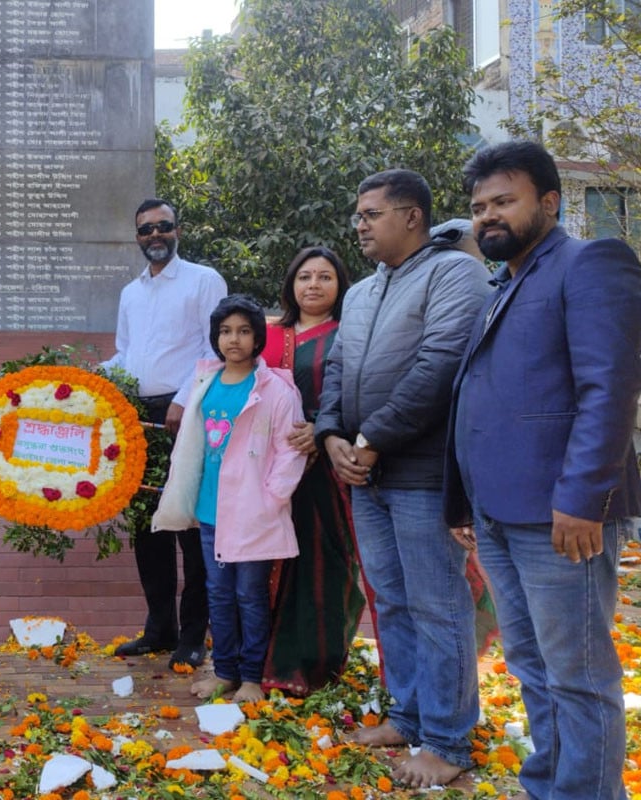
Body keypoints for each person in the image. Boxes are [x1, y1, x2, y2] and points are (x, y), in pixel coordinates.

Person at [445, 140, 641, 800]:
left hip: (564, 517)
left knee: (578, 673)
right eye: (479, 207)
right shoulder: (506, 283)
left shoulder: (591, 264)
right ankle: (549, 785)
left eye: (504, 201)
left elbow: (608, 388)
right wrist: (464, 502)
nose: (488, 217)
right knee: (532, 665)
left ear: (549, 203)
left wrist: (585, 498)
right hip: (501, 514)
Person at [314, 169, 491, 787]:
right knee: (390, 600)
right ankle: (409, 714)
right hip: (365, 474)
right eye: (358, 214)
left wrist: (371, 439)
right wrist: (331, 436)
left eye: (371, 214)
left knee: (438, 604)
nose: (358, 224)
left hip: (420, 470)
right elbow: (335, 370)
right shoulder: (362, 292)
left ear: (412, 216)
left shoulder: (455, 274)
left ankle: (447, 740)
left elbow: (440, 364)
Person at [152, 295, 306, 703]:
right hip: (210, 511)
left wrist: (272, 498)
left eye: (243, 331)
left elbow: (290, 450)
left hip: (254, 512)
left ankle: (252, 677)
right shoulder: (207, 381)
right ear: (215, 337)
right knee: (218, 593)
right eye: (224, 331)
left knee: (249, 595)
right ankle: (225, 671)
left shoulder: (275, 389)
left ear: (258, 337)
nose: (233, 339)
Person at [103, 198, 226, 669]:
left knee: (189, 528)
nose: (154, 235)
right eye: (145, 229)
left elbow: (218, 349)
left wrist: (183, 397)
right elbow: (125, 355)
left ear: (177, 230)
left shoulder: (203, 280)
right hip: (137, 418)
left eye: (163, 227)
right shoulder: (130, 292)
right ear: (136, 236)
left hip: (186, 415)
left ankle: (194, 637)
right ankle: (159, 629)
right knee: (145, 529)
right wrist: (86, 384)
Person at [258, 247, 368, 696]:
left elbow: (361, 390)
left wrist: (323, 430)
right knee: (264, 562)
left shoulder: (350, 334)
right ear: (291, 283)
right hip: (266, 464)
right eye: (305, 276)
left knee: (322, 563)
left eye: (325, 277)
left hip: (324, 469)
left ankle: (314, 666)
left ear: (340, 286)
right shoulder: (266, 335)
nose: (314, 285)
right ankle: (258, 661)